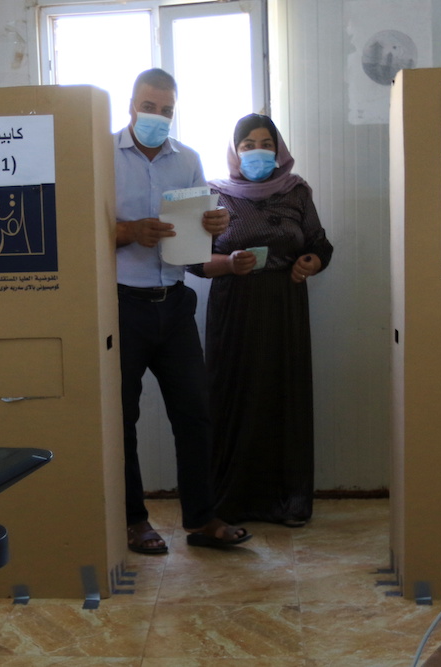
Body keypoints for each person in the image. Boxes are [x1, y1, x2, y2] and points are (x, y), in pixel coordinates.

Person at [114, 68, 251, 553]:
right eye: (148, 107)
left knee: (196, 413)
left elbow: (193, 252)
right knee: (121, 417)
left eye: (166, 110)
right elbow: (77, 229)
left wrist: (215, 225)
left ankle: (201, 519)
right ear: (131, 105)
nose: (157, 117)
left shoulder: (188, 160)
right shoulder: (99, 157)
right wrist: (128, 232)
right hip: (119, 306)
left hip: (173, 306)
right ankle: (133, 521)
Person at [190, 113, 333, 527]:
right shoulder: (214, 195)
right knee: (233, 394)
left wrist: (313, 260)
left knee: (282, 394)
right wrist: (228, 262)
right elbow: (194, 261)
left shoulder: (297, 191)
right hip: (234, 307)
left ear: (279, 148)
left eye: (265, 142)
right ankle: (231, 501)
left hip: (285, 305)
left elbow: (319, 242)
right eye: (247, 144)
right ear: (235, 151)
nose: (256, 150)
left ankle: (289, 501)